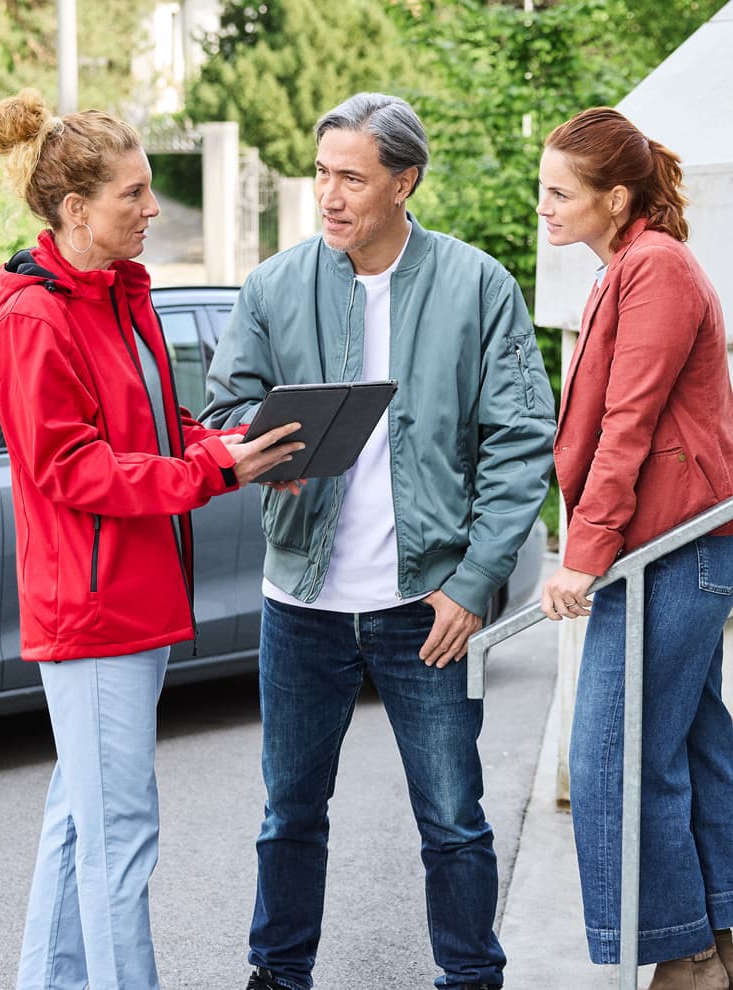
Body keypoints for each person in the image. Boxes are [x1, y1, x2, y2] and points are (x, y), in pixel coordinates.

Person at [202, 92, 556, 990]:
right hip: (302, 604)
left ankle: (471, 979)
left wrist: (476, 580)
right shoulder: (275, 285)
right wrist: (260, 445)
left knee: (452, 818)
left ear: (405, 182)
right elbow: (221, 412)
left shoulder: (479, 286)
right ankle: (278, 978)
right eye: (322, 173)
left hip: (424, 606)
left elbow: (522, 442)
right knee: (290, 814)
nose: (330, 195)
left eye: (352, 178)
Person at [0, 88, 305, 990]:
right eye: (134, 194)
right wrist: (212, 475)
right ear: (76, 209)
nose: (154, 210)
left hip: (138, 597)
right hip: (92, 614)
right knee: (120, 837)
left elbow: (156, 433)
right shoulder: (32, 316)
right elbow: (72, 470)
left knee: (81, 822)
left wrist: (232, 448)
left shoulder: (123, 297)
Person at [533, 106, 733, 990]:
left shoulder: (657, 271)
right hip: (681, 545)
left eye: (559, 192)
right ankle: (712, 954)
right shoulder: (633, 267)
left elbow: (629, 427)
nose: (544, 208)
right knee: (687, 744)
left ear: (615, 197)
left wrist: (582, 554)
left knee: (611, 755)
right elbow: (716, 410)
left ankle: (681, 955)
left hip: (669, 554)